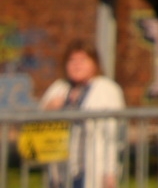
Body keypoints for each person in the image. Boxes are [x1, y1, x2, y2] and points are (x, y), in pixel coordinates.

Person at [36, 41, 123, 188]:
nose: (77, 65)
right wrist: (49, 108)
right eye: (72, 60)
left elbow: (113, 136)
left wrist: (110, 172)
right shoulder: (59, 87)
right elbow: (35, 125)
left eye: (83, 60)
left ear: (95, 63)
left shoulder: (106, 89)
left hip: (92, 167)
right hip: (62, 170)